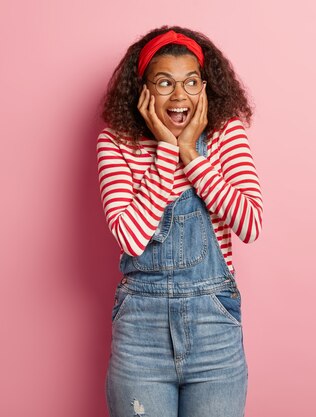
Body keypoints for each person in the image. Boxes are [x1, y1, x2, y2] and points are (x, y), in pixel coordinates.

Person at [97, 25, 263, 417]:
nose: (179, 95)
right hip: (141, 336)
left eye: (191, 82)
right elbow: (131, 238)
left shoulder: (225, 135)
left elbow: (250, 223)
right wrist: (167, 151)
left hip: (214, 330)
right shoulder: (116, 143)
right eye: (165, 82)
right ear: (143, 90)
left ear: (205, 87)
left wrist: (192, 153)